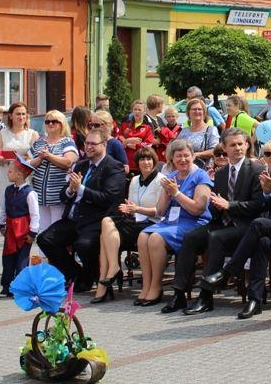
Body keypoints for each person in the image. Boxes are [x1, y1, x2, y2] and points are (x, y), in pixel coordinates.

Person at [201, 127, 271, 319]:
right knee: (261, 242)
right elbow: (265, 202)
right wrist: (267, 191)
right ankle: (254, 300)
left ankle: (228, 271)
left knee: (257, 224)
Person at [173, 128, 265, 315]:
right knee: (191, 237)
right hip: (222, 222)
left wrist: (230, 205)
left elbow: (258, 205)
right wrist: (213, 204)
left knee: (216, 238)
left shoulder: (256, 169)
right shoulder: (221, 173)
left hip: (246, 225)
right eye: (233, 145)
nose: (238, 148)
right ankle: (179, 293)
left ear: (247, 144)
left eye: (241, 144)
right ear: (224, 147)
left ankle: (205, 296)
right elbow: (217, 207)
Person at [36, 129, 125, 292]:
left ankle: (91, 277)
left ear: (104, 145)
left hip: (96, 219)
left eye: (93, 144)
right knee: (45, 239)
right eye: (86, 143)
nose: (88, 147)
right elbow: (64, 195)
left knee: (83, 245)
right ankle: (78, 275)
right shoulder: (82, 165)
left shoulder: (114, 167)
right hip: (73, 218)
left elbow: (108, 199)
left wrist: (81, 189)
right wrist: (70, 189)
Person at [135, 139, 213, 307]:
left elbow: (197, 209)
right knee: (143, 236)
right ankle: (147, 285)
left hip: (193, 222)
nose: (183, 160)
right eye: (179, 156)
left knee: (155, 238)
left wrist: (176, 193)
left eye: (186, 156)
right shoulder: (170, 177)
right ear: (172, 159)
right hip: (170, 221)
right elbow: (161, 211)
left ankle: (156, 287)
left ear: (193, 156)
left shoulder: (201, 176)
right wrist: (166, 192)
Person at [92, 147, 162, 303]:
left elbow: (160, 211)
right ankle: (114, 267)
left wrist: (137, 209)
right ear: (137, 163)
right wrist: (129, 209)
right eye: (142, 159)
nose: (146, 162)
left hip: (151, 223)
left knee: (105, 237)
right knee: (106, 222)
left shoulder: (160, 180)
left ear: (154, 161)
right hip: (135, 221)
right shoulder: (135, 180)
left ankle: (104, 284)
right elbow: (131, 205)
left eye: (149, 159)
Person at [30, 110, 80, 232]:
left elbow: (68, 162)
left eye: (54, 121)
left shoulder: (67, 141)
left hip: (58, 196)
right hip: (40, 195)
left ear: (62, 124)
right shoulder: (39, 142)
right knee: (41, 232)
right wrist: (40, 158)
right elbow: (28, 163)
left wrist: (49, 156)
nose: (50, 124)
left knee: (55, 232)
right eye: (48, 122)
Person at [0, 155, 39, 298]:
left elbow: (35, 215)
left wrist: (32, 233)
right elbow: (4, 208)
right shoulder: (8, 190)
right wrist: (1, 223)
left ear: (20, 174)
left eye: (10, 171)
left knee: (22, 260)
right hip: (10, 230)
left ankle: (21, 288)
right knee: (8, 258)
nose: (8, 173)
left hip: (23, 231)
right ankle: (6, 286)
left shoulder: (30, 193)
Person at [0, 102, 39, 217]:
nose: (21, 117)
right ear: (10, 116)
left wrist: (20, 158)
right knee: (6, 211)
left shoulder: (33, 134)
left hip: (25, 176)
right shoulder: (1, 134)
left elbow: (34, 157)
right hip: (6, 174)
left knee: (25, 210)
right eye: (18, 114)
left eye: (24, 114)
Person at [177, 98, 220, 168]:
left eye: (199, 109)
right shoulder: (184, 131)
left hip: (204, 170)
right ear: (188, 112)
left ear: (204, 112)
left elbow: (215, 151)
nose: (197, 111)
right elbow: (176, 149)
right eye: (194, 109)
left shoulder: (211, 130)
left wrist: (197, 154)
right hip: (185, 169)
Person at [118, 100, 155, 176]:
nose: (137, 112)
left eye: (139, 110)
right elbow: (118, 140)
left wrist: (128, 144)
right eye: (135, 109)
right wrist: (128, 141)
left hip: (139, 164)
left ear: (144, 112)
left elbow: (148, 145)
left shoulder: (148, 127)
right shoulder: (125, 125)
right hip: (125, 163)